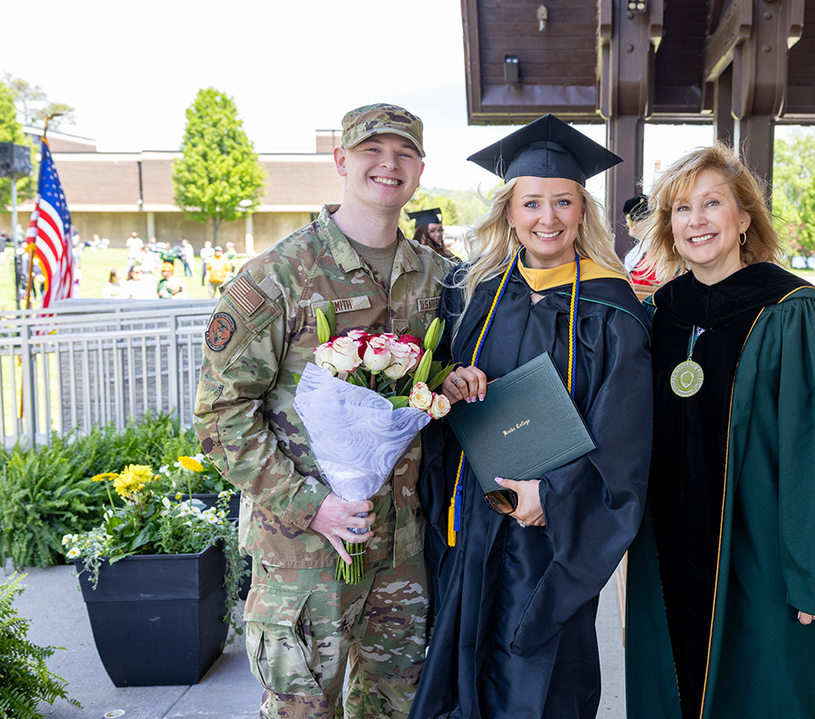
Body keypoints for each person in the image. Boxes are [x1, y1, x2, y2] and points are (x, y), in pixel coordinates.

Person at [624, 143, 815, 719]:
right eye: (682, 209)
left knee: (765, 690)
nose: (697, 220)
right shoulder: (659, 313)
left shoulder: (792, 310)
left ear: (744, 218)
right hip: (663, 554)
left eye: (713, 204)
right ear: (667, 226)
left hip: (760, 555)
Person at [193, 103, 451, 719]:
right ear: (341, 160)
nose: (388, 165)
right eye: (371, 151)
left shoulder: (438, 279)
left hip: (400, 549)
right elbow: (220, 416)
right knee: (303, 711)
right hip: (303, 554)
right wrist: (314, 507)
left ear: (419, 170)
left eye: (403, 154)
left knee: (396, 708)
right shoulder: (278, 276)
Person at [411, 114, 652, 719]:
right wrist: (449, 382)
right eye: (533, 202)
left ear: (582, 211)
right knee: (466, 653)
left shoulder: (611, 306)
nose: (548, 217)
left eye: (563, 201)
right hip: (473, 515)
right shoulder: (476, 293)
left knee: (540, 672)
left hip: (553, 532)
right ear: (509, 212)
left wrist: (558, 494)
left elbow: (624, 432)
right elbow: (435, 394)